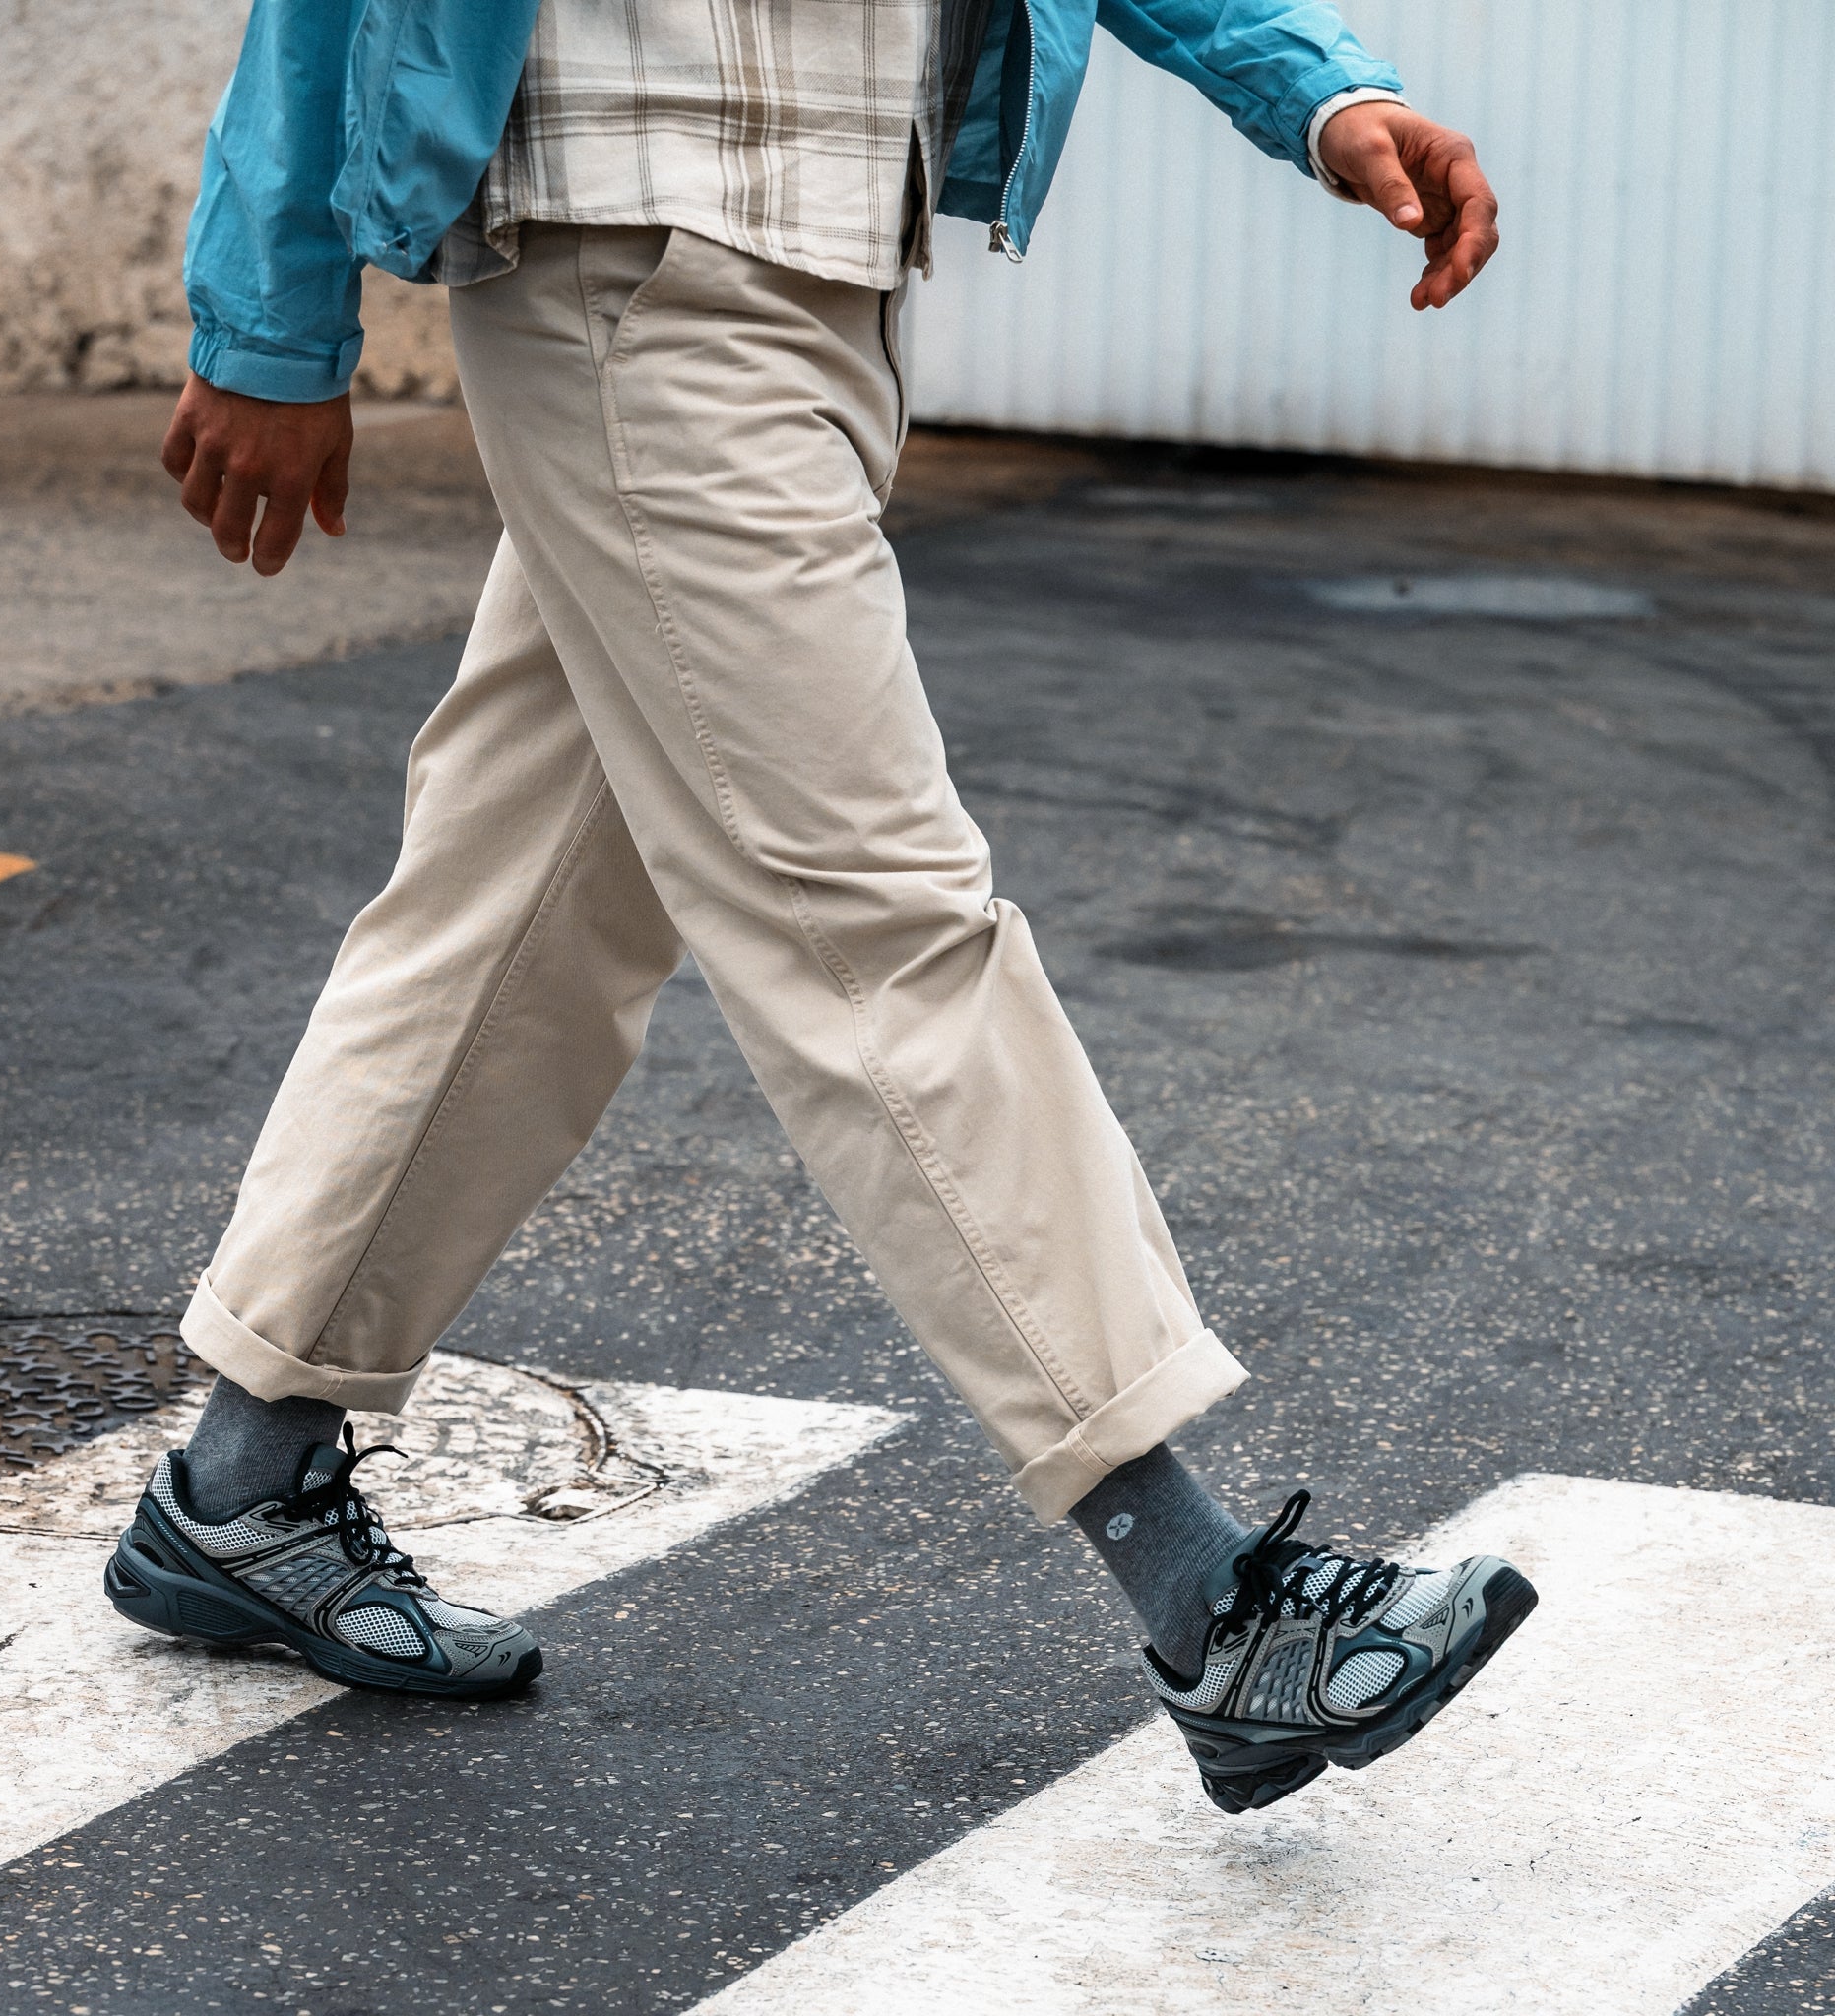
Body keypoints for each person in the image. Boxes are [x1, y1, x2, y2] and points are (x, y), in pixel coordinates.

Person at [103, 0, 1533, 1813]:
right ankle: (1211, 1599)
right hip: (634, 245)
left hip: (824, 258)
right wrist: (269, 315)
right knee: (875, 926)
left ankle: (242, 1489)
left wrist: (1316, 90)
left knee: (529, 906)